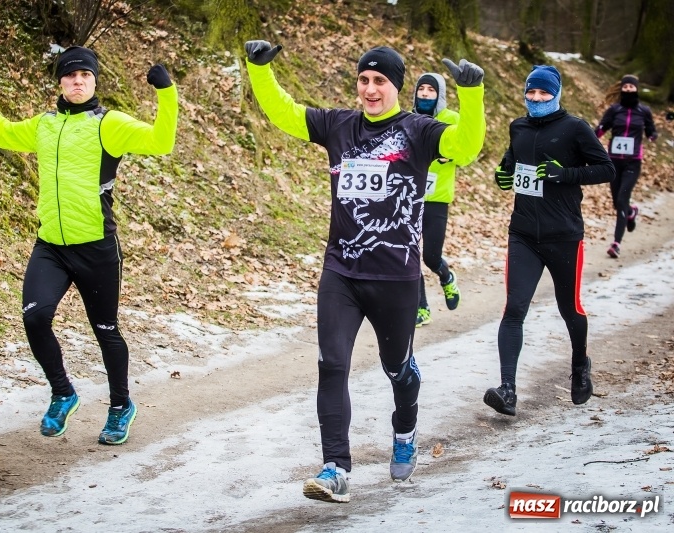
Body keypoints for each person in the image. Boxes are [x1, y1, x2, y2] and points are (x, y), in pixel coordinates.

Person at [244, 40, 485, 502]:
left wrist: (471, 96)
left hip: (396, 276)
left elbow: (467, 148)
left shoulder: (420, 131)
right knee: (331, 364)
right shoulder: (339, 126)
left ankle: (405, 431)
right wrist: (259, 70)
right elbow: (287, 113)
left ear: (396, 85)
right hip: (342, 271)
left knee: (397, 370)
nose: (370, 89)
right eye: (364, 80)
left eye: (380, 81)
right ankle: (336, 466)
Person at [0, 46, 178, 444]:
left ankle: (120, 406)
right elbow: (2, 132)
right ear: (60, 81)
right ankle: (63, 394)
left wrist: (167, 93)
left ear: (94, 81)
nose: (78, 81)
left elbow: (161, 142)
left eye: (85, 76)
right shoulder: (45, 125)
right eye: (71, 75)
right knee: (35, 318)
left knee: (105, 330)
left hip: (96, 247)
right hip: (51, 246)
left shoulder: (110, 124)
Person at [484, 65, 615, 417]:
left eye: (543, 93)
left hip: (564, 236)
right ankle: (508, 389)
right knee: (514, 310)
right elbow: (511, 161)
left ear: (556, 94)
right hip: (523, 234)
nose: (536, 98)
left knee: (569, 308)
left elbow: (606, 169)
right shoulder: (518, 126)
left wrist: (564, 174)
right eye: (531, 92)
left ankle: (579, 366)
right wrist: (503, 173)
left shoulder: (574, 128)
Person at [411, 72, 478, 327]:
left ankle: (446, 276)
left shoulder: (452, 120)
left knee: (430, 257)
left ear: (440, 95)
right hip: (409, 197)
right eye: (421, 89)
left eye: (431, 89)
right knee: (409, 254)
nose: (425, 93)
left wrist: (449, 156)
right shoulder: (408, 119)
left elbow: (467, 154)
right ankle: (422, 308)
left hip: (437, 200)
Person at [594, 75, 658, 258]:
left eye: (632, 86)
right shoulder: (614, 110)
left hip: (633, 161)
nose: (628, 89)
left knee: (622, 198)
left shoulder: (644, 111)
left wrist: (653, 136)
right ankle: (630, 212)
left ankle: (616, 243)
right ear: (622, 89)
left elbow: (651, 129)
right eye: (626, 86)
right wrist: (589, 138)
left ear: (636, 89)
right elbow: (602, 128)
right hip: (614, 161)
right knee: (617, 202)